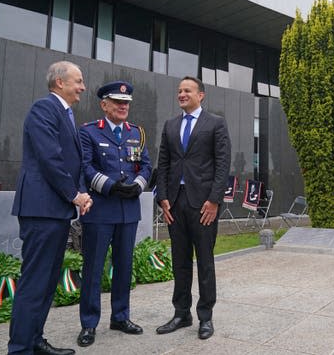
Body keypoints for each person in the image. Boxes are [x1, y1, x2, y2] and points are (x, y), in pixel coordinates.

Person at [8, 61, 92, 355]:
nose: (83, 87)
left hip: (55, 211)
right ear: (59, 82)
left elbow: (74, 162)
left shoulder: (67, 114)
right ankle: (19, 349)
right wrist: (75, 195)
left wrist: (81, 192)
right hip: (41, 209)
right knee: (34, 282)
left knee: (46, 281)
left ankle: (35, 341)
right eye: (78, 81)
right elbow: (50, 159)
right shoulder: (44, 109)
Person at [76, 82, 152, 347]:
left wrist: (137, 186)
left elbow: (146, 166)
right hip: (100, 211)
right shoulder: (88, 132)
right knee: (94, 268)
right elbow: (84, 167)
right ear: (104, 104)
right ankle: (88, 323)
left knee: (124, 267)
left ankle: (120, 316)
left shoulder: (137, 133)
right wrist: (109, 186)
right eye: (117, 102)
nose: (123, 106)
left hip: (128, 212)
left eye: (126, 102)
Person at [155, 76, 231, 340]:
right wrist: (162, 197)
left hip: (204, 205)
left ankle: (205, 317)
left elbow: (223, 164)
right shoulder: (170, 125)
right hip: (176, 202)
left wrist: (214, 200)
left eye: (187, 90)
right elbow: (163, 163)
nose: (182, 94)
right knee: (180, 262)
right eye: (179, 91)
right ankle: (181, 313)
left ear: (201, 95)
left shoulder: (216, 124)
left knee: (205, 262)